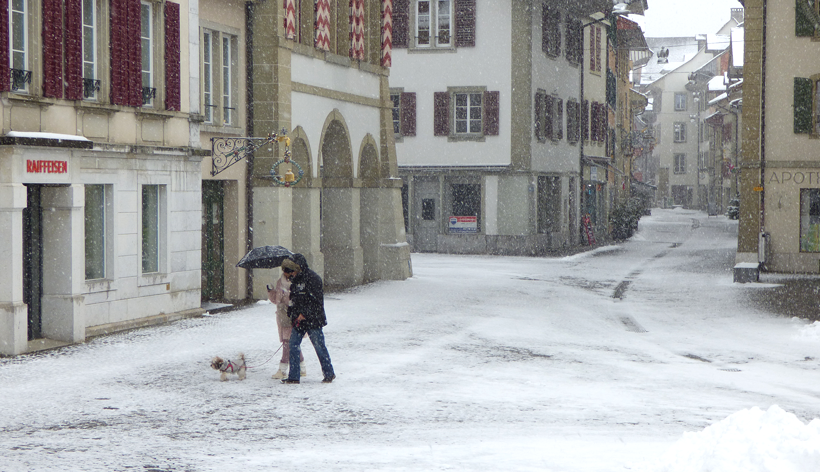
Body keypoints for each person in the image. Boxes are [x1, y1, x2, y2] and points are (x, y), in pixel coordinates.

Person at [280, 254, 336, 384]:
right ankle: (294, 376)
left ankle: (329, 373)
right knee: (293, 345)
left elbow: (316, 301)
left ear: (296, 269)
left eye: (290, 272)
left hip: (314, 320)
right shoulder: (295, 282)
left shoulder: (314, 279)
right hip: (299, 321)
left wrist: (304, 313)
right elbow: (294, 300)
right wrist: (293, 314)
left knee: (319, 346)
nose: (289, 276)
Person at [266, 271, 304, 379]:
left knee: (287, 343)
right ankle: (302, 367)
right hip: (283, 317)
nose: (286, 273)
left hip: (292, 317)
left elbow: (297, 300)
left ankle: (282, 370)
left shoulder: (297, 283)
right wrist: (270, 291)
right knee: (292, 342)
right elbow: (276, 300)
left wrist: (290, 304)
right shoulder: (280, 282)